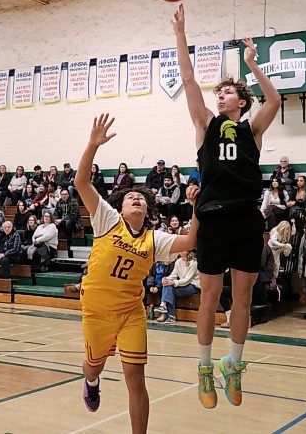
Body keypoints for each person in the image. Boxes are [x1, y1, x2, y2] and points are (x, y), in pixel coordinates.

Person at [172, 3, 281, 408]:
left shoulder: (252, 128)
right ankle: (204, 369)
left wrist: (252, 64)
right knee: (209, 296)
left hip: (247, 217)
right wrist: (181, 34)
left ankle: (232, 365)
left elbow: (274, 98)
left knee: (244, 297)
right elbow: (187, 78)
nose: (220, 95)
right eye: (218, 91)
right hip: (214, 217)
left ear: (241, 100)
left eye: (227, 91)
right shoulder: (205, 124)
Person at [74, 113, 200, 433]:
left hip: (131, 311)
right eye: (132, 196)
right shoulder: (107, 219)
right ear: (121, 205)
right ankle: (91, 380)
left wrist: (196, 207)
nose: (136, 199)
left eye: (142, 199)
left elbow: (191, 239)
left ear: (147, 211)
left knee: (136, 380)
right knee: (94, 365)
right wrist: (92, 145)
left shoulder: (153, 239)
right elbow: (81, 182)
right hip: (97, 310)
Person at [154, 250, 200, 323]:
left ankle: (166, 310)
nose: (181, 251)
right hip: (183, 284)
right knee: (167, 285)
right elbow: (173, 275)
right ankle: (165, 309)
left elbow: (187, 280)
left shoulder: (194, 263)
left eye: (183, 249)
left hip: (193, 286)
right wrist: (165, 279)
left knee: (170, 288)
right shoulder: (178, 261)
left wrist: (173, 282)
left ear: (188, 251)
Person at [53, 189, 82, 257]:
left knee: (68, 223)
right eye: (62, 194)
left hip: (74, 222)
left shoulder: (73, 201)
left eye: (65, 194)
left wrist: (61, 220)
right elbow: (55, 213)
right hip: (62, 222)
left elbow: (73, 216)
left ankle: (69, 245)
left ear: (68, 195)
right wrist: (56, 220)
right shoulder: (59, 202)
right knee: (53, 225)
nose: (64, 196)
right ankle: (54, 249)